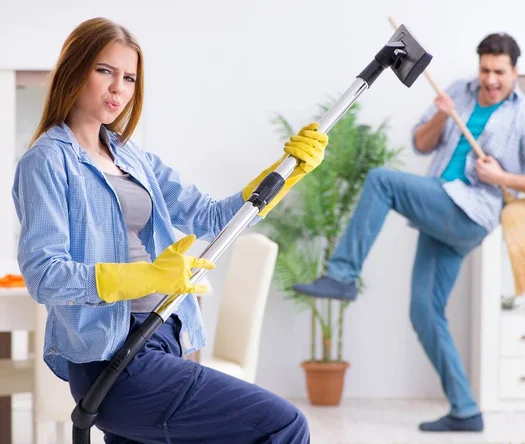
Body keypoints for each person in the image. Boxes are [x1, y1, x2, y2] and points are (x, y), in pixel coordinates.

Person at [13, 17, 328, 443]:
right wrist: (142, 277)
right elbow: (45, 275)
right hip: (116, 358)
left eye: (128, 78)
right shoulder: (47, 161)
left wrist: (283, 175)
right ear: (75, 69)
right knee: (283, 425)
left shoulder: (131, 157)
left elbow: (212, 218)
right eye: (105, 71)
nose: (118, 89)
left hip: (166, 335)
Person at [293, 32, 525, 432]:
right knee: (424, 313)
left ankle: (342, 274)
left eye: (499, 73)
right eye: (485, 70)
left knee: (382, 181)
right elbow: (421, 145)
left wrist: (502, 175)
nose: (491, 80)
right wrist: (442, 113)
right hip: (439, 205)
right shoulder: (459, 90)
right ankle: (466, 409)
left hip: (469, 212)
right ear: (479, 66)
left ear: (515, 72)